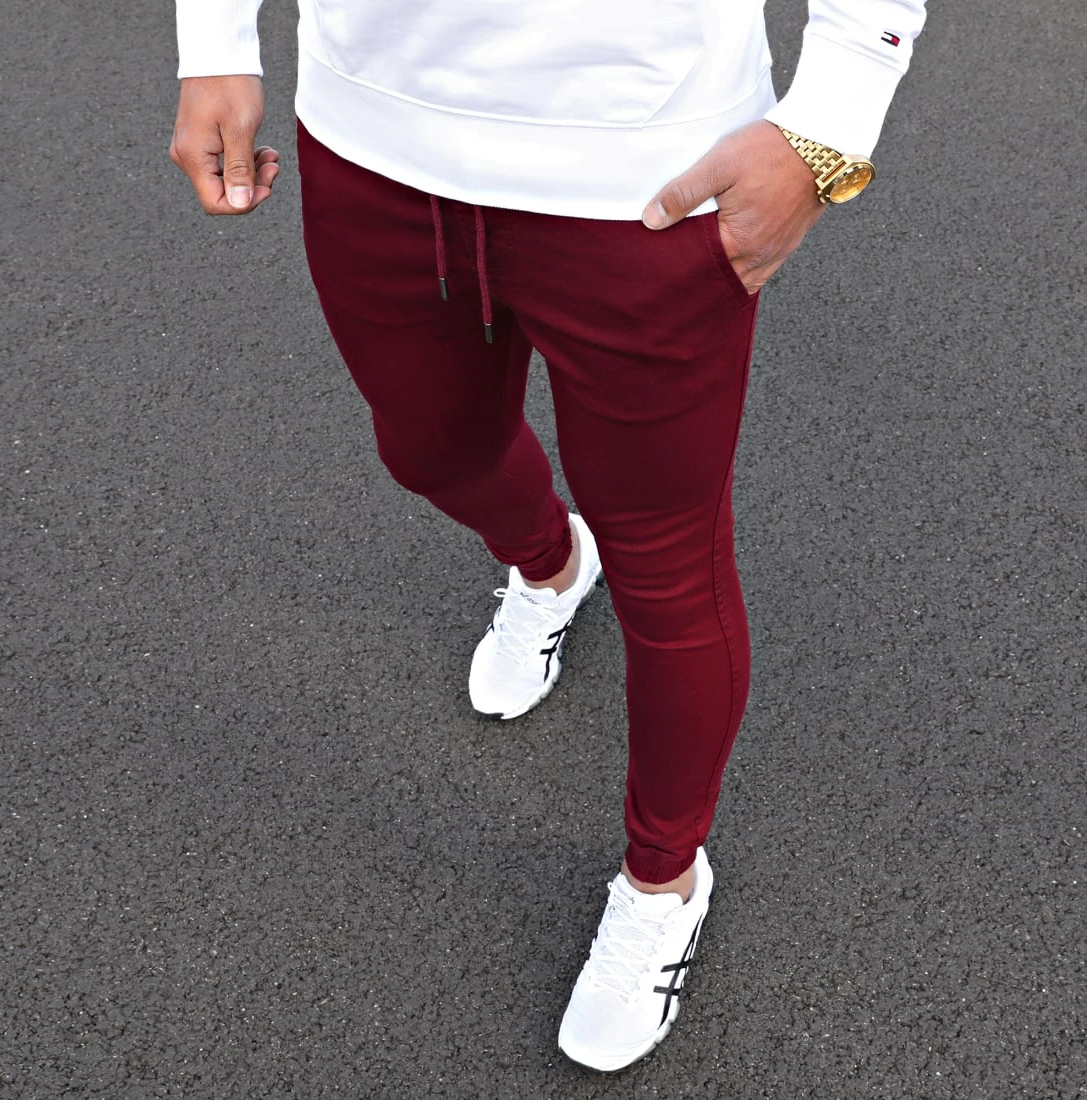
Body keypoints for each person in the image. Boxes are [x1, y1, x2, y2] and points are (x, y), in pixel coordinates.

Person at [171, 0, 927, 1072]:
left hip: (647, 172)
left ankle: (663, 882)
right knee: (431, 453)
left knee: (668, 561)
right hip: (375, 142)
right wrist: (213, 41)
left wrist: (832, 119)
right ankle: (551, 563)